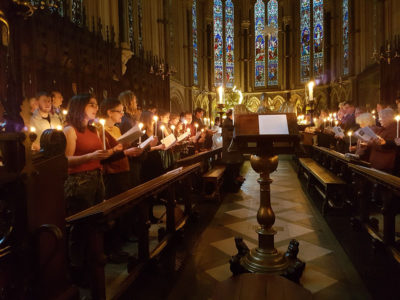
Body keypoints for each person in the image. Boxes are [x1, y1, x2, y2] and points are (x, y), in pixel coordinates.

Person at [63, 94, 113, 283]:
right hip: (79, 182)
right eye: (91, 104)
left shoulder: (94, 130)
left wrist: (104, 154)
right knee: (81, 226)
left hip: (97, 178)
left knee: (96, 223)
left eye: (96, 104)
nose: (95, 108)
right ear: (79, 107)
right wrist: (89, 157)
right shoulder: (70, 130)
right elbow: (65, 161)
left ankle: (93, 261)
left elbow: (97, 155)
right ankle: (77, 268)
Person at [368, 108, 397, 173]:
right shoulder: (383, 129)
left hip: (384, 164)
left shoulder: (394, 129)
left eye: (381, 117)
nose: (379, 120)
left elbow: (389, 147)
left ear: (388, 118)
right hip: (376, 162)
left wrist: (372, 143)